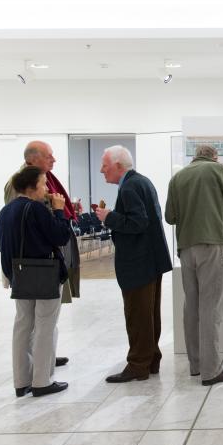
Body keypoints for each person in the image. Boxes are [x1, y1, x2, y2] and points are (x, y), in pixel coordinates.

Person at [165, 145, 223, 385]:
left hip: (187, 248)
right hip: (214, 244)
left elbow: (170, 217)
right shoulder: (218, 170)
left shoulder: (178, 177)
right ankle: (211, 371)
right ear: (214, 157)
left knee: (192, 307)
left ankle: (197, 365)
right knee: (211, 308)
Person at [96, 146, 172, 383]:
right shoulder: (142, 182)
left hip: (138, 262)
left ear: (118, 166)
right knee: (148, 314)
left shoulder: (129, 187)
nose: (101, 170)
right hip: (151, 260)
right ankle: (150, 359)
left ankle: (138, 364)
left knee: (138, 315)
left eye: (105, 166)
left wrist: (109, 217)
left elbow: (138, 223)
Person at [0, 166, 72, 397]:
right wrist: (59, 212)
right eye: (43, 184)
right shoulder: (36, 209)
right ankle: (40, 381)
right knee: (44, 327)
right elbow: (60, 236)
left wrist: (11, 274)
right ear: (30, 188)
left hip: (20, 275)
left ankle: (21, 381)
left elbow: (3, 247)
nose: (47, 189)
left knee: (22, 326)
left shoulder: (4, 212)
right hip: (44, 274)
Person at [5, 141, 79, 368]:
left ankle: (44, 356)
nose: (53, 160)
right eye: (49, 156)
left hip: (46, 260)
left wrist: (65, 212)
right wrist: (57, 213)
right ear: (33, 160)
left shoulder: (44, 180)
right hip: (33, 263)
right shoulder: (20, 185)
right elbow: (22, 222)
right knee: (31, 320)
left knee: (46, 317)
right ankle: (37, 366)